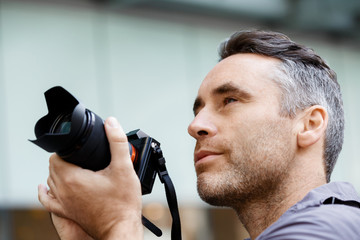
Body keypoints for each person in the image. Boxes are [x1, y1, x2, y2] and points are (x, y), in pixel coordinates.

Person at [38, 30, 360, 239]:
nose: (195, 126)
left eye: (230, 100)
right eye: (198, 109)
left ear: (310, 124)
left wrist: (117, 225)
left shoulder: (330, 229)